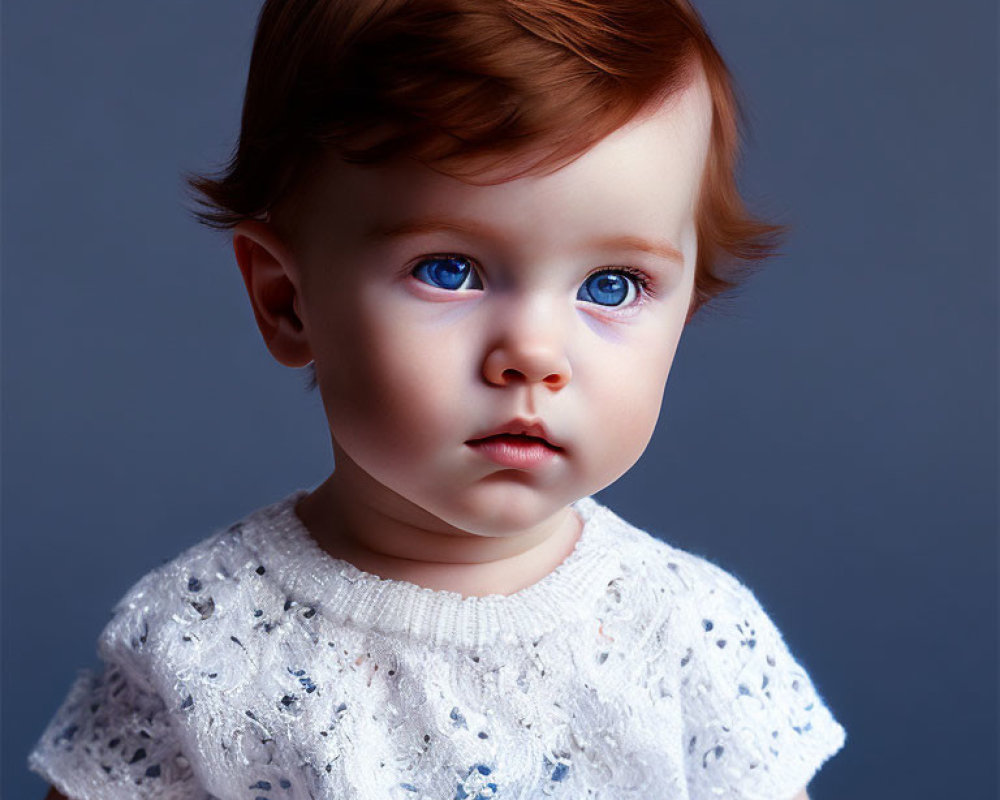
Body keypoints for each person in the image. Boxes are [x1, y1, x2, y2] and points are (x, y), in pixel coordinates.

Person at [30, 1, 846, 798]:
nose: (533, 353)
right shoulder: (200, 645)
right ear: (288, 300)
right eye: (450, 270)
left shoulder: (687, 636)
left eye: (611, 284)